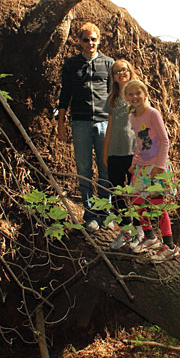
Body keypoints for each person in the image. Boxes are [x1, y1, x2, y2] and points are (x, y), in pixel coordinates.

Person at [56, 22, 113, 231]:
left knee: (105, 167)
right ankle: (90, 215)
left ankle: (105, 213)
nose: (90, 43)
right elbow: (65, 95)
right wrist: (61, 123)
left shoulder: (109, 64)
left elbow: (114, 97)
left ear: (99, 40)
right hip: (80, 122)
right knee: (84, 169)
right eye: (86, 39)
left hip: (104, 122)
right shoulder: (72, 64)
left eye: (93, 39)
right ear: (79, 41)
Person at [123, 79, 180, 262]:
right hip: (142, 166)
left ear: (145, 94)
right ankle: (150, 237)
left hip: (156, 165)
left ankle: (169, 245)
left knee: (157, 204)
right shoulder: (133, 117)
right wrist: (134, 162)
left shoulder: (152, 114)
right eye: (130, 94)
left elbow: (164, 141)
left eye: (138, 93)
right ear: (126, 98)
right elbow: (140, 144)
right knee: (137, 200)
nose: (134, 97)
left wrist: (160, 166)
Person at [103, 60, 144, 250]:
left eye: (124, 69)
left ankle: (140, 232)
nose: (121, 73)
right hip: (115, 152)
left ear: (130, 71)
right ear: (113, 76)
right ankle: (126, 230)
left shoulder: (137, 94)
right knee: (117, 192)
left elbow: (145, 125)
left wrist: (142, 152)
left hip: (133, 152)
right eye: (117, 71)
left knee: (136, 192)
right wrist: (105, 151)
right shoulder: (112, 98)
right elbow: (109, 126)